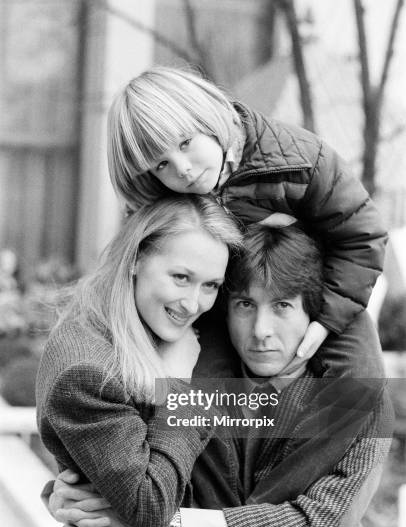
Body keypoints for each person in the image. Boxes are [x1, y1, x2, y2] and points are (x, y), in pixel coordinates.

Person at [50, 225, 392, 527]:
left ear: (313, 312)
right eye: (245, 305)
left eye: (282, 306)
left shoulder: (358, 397)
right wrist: (71, 496)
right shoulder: (190, 375)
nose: (261, 331)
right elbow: (138, 468)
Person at [106, 65, 387, 380]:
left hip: (316, 297)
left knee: (359, 379)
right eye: (161, 164)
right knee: (199, 390)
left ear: (207, 118)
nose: (182, 169)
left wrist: (326, 321)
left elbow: (363, 236)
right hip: (220, 309)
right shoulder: (166, 203)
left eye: (185, 143)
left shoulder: (301, 160)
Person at [34, 194, 242, 527]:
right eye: (181, 277)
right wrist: (180, 387)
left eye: (211, 286)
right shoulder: (89, 368)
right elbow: (149, 505)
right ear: (135, 258)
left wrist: (59, 491)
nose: (193, 303)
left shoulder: (152, 328)